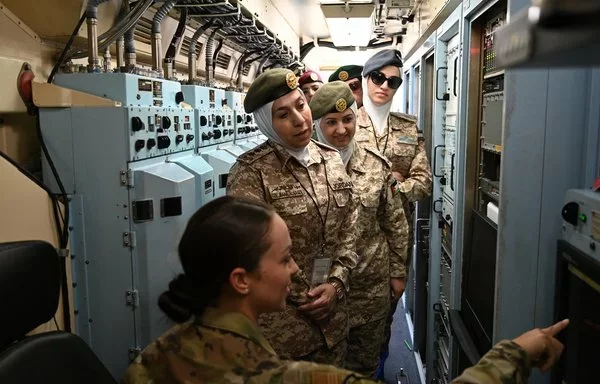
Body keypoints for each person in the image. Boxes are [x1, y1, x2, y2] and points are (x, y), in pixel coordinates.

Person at [121, 196, 570, 384]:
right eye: (284, 259)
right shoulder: (297, 379)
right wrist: (518, 351)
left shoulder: (151, 359)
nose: (296, 269)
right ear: (241, 280)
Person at [226, 68, 359, 366]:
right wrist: (306, 296)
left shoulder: (331, 159)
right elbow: (249, 255)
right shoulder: (250, 173)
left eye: (300, 105)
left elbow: (350, 229)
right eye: (283, 115)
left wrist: (337, 284)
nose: (299, 120)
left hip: (334, 320)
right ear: (266, 124)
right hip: (283, 332)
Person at [309, 81, 409, 377]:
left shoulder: (377, 164)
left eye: (347, 119)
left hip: (369, 286)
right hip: (322, 292)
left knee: (366, 365)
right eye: (331, 122)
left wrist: (398, 272)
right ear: (317, 125)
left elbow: (395, 223)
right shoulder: (306, 167)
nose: (341, 129)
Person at [357, 49, 433, 375]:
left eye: (393, 81)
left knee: (384, 317)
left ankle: (379, 369)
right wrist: (390, 180)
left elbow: (423, 181)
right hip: (352, 240)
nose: (385, 86)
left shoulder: (407, 127)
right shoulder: (343, 123)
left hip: (394, 243)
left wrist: (393, 188)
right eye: (378, 77)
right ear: (365, 78)